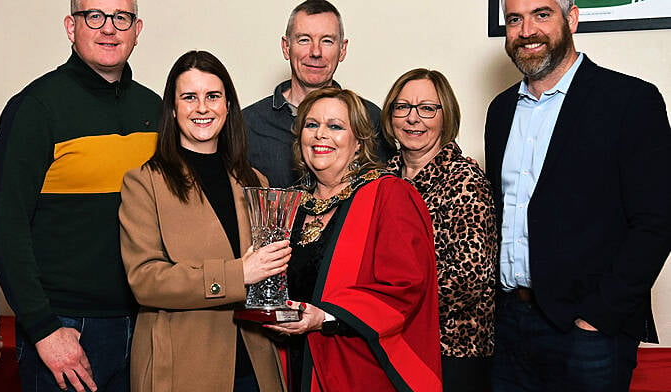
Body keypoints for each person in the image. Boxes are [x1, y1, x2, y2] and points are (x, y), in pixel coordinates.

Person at [485, 0, 671, 391]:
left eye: (542, 14)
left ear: (571, 19)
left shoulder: (630, 101)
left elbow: (657, 221)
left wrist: (597, 319)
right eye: (514, 19)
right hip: (509, 325)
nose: (526, 30)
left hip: (588, 331)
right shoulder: (500, 110)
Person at [0, 0, 161, 391]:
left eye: (121, 18)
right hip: (67, 329)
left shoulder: (155, 109)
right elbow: (1, 230)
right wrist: (45, 329)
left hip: (147, 321)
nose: (108, 28)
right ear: (70, 26)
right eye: (93, 16)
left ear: (137, 29)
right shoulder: (35, 108)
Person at [119, 50, 288, 392]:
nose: (202, 108)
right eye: (189, 97)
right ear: (172, 108)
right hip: (185, 365)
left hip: (256, 363)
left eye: (212, 96)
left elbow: (268, 275)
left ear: (228, 105)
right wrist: (239, 273)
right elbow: (146, 281)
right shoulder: (144, 182)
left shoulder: (255, 181)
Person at [265, 87, 442, 392]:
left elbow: (406, 287)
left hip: (360, 369)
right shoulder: (290, 205)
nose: (321, 135)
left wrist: (324, 317)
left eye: (335, 126)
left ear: (359, 142)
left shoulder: (389, 195)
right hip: (292, 365)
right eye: (311, 125)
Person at [382, 68, 498, 392]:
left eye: (427, 108)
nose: (413, 119)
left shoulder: (465, 180)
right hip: (392, 345)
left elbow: (468, 276)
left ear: (445, 116)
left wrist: (388, 308)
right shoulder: (380, 180)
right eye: (402, 107)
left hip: (452, 351)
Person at [243, 0, 391, 188]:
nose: (315, 52)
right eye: (304, 39)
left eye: (327, 41)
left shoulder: (370, 118)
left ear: (342, 49)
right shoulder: (247, 124)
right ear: (286, 46)